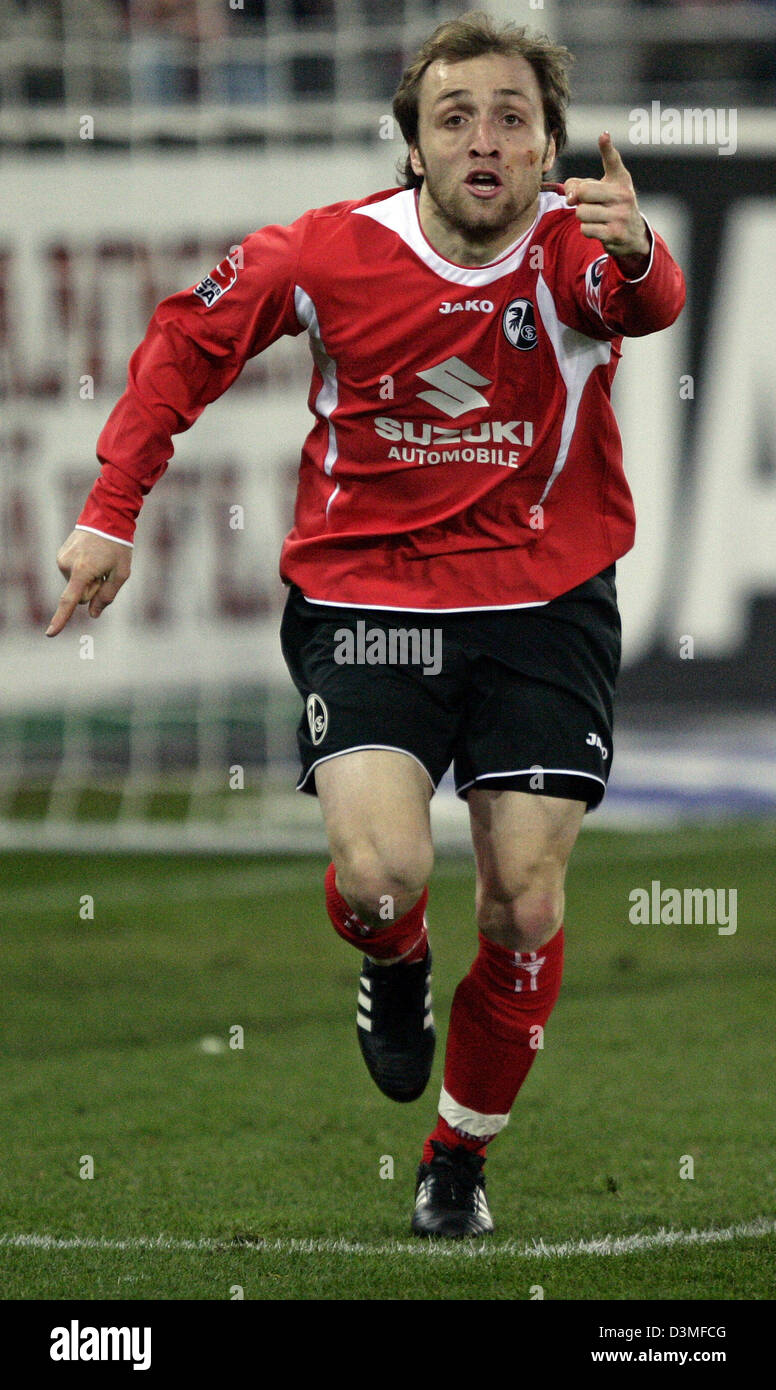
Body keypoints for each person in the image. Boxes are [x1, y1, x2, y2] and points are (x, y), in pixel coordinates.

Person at [46, 11, 685, 1239]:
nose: (484, 141)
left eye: (511, 117)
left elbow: (638, 300)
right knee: (386, 875)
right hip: (369, 597)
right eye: (455, 118)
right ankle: (393, 961)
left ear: (550, 143)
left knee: (524, 903)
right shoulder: (327, 254)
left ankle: (456, 1157)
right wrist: (111, 509)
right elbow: (187, 341)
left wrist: (643, 243)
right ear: (411, 146)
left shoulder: (568, 249)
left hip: (543, 606)